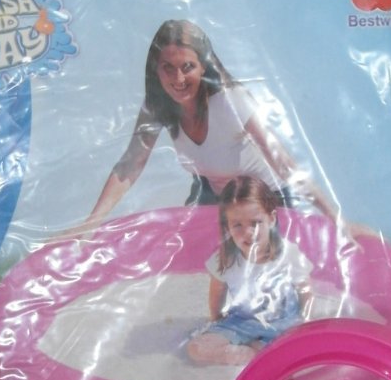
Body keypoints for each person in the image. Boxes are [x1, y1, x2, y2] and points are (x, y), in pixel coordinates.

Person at [81, 19, 331, 228]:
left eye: (187, 67)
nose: (178, 78)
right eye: (168, 68)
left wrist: (334, 218)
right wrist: (90, 225)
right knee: (190, 258)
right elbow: (130, 165)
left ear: (203, 67)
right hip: (215, 198)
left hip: (265, 199)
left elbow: (284, 163)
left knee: (263, 263)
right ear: (156, 70)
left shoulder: (230, 101)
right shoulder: (158, 105)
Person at [186, 177, 314, 366]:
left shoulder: (288, 254)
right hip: (241, 320)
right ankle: (244, 353)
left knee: (292, 353)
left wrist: (305, 321)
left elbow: (305, 290)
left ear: (271, 219)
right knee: (196, 348)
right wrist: (217, 320)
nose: (248, 232)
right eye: (237, 225)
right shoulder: (226, 257)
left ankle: (257, 350)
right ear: (227, 226)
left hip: (282, 323)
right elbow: (217, 292)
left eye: (255, 223)